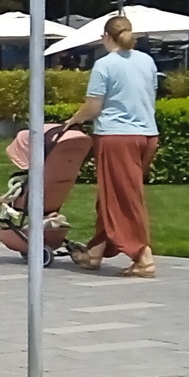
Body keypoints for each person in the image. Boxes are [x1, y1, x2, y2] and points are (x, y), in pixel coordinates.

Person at [67, 15, 159, 278]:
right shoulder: (148, 61)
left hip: (117, 137)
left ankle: (143, 257)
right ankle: (95, 252)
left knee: (123, 198)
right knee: (116, 195)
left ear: (106, 37)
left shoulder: (104, 65)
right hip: (147, 135)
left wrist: (74, 119)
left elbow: (94, 107)